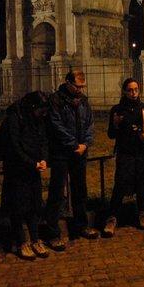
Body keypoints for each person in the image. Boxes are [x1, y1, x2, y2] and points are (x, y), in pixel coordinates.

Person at [44, 70, 98, 250]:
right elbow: (55, 125)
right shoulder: (55, 100)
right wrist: (74, 144)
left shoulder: (84, 100)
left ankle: (81, 226)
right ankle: (53, 233)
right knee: (57, 192)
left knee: (80, 189)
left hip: (80, 151)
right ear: (67, 83)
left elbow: (90, 123)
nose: (80, 90)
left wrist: (85, 143)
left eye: (82, 86)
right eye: (77, 86)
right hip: (61, 152)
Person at [0, 91, 50, 260]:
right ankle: (21, 241)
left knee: (34, 204)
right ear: (32, 107)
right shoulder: (15, 117)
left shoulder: (38, 119)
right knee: (18, 206)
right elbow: (14, 146)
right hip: (17, 169)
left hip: (33, 167)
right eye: (40, 110)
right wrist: (30, 162)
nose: (42, 114)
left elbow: (43, 139)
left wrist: (43, 159)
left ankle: (35, 239)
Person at [103, 78, 144, 237]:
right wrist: (115, 124)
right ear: (124, 92)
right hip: (126, 153)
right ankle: (112, 217)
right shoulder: (117, 110)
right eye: (130, 90)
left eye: (136, 89)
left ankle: (142, 213)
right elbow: (111, 134)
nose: (134, 93)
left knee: (142, 184)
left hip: (142, 152)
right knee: (120, 184)